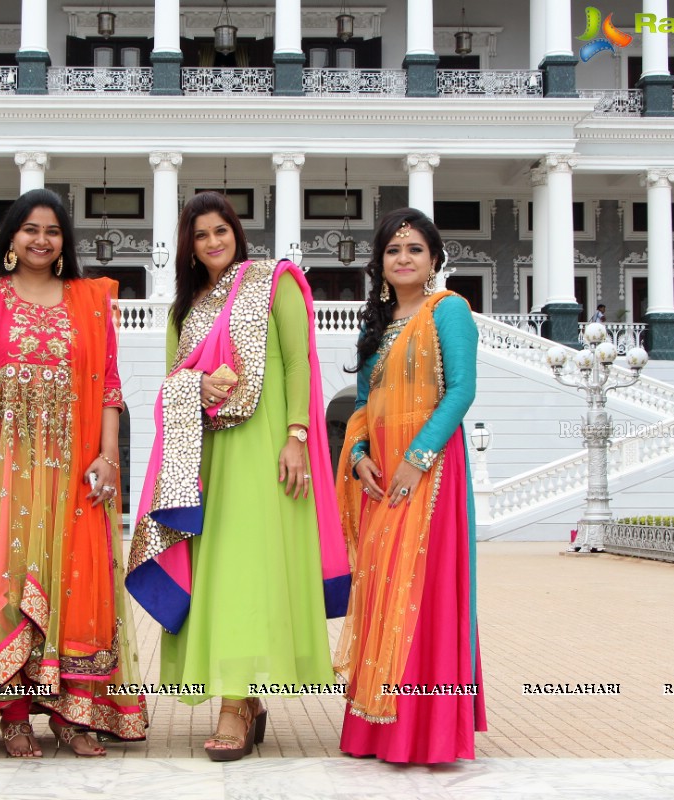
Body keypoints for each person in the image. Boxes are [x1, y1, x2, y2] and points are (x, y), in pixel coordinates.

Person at [0, 189, 147, 757]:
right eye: (31, 229)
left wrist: (108, 456)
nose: (42, 240)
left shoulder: (87, 301)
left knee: (75, 582)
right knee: (5, 585)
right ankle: (13, 716)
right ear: (11, 237)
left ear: (65, 242)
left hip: (70, 466)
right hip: (2, 467)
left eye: (53, 231)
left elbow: (110, 388)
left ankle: (72, 714)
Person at [127, 191, 350, 762]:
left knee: (251, 573)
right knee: (218, 576)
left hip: (267, 451)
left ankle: (237, 704)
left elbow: (299, 360)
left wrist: (298, 435)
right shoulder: (184, 310)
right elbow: (170, 386)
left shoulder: (273, 282)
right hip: (206, 460)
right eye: (200, 235)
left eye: (220, 230)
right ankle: (239, 698)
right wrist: (193, 387)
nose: (212, 243)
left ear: (236, 232)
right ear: (189, 246)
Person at [334, 207, 486, 764]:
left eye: (415, 249)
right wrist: (357, 456)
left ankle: (425, 731)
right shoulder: (375, 328)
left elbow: (462, 391)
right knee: (380, 587)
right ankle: (377, 728)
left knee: (422, 588)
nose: (404, 258)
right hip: (382, 478)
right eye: (394, 251)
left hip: (432, 472)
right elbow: (362, 408)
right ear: (380, 263)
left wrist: (417, 458)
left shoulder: (450, 312)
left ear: (434, 259)